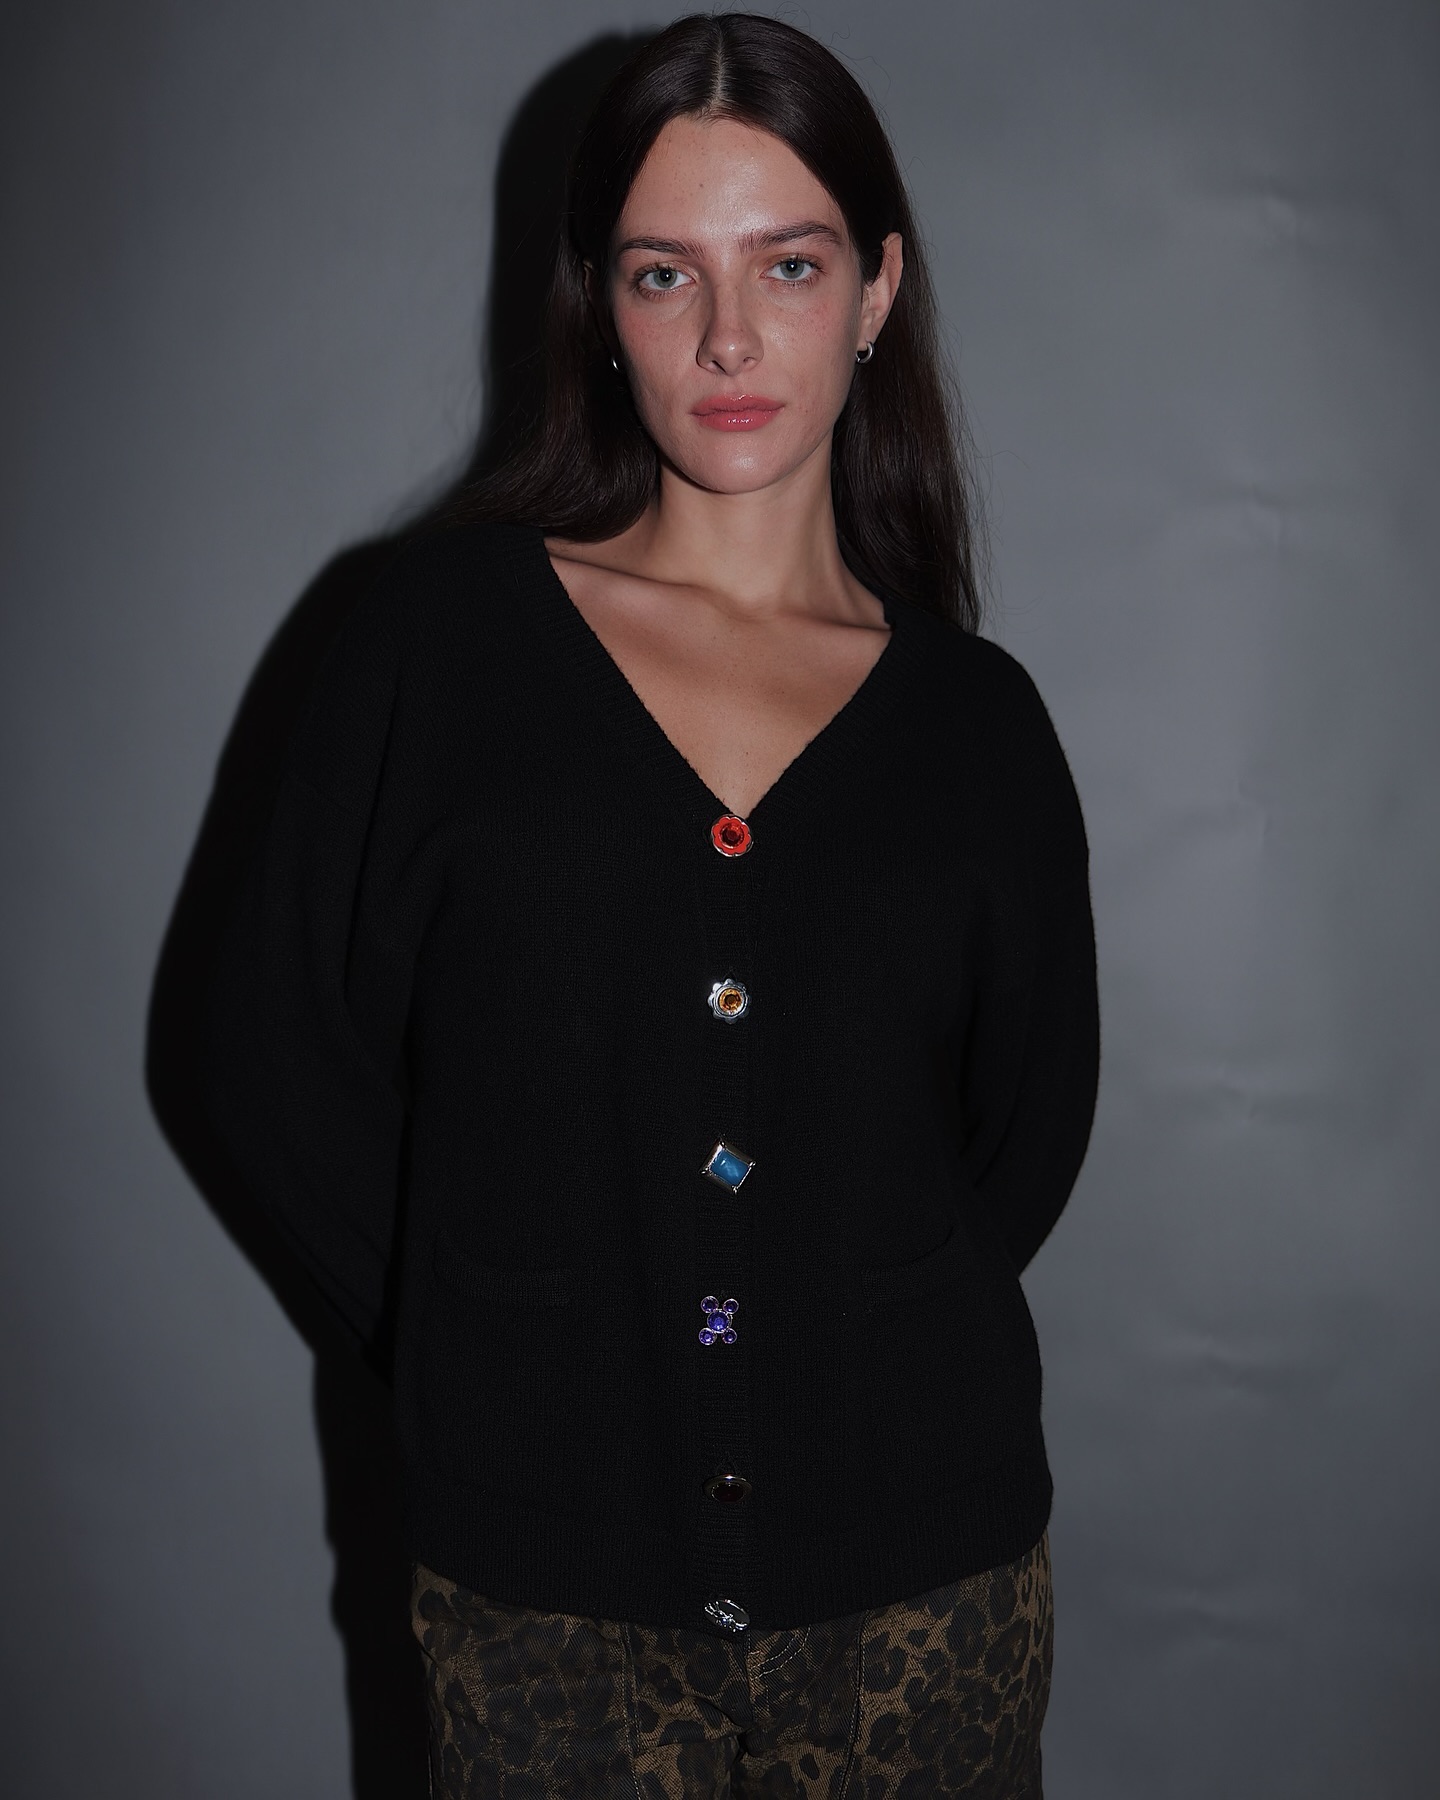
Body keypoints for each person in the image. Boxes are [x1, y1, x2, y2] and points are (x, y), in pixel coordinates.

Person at [200, 12, 1100, 1796]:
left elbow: (1021, 1137)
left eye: (790, 264)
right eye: (663, 272)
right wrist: (491, 1345)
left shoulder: (978, 725)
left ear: (877, 288)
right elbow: (267, 1060)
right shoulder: (436, 644)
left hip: (930, 1592)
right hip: (544, 1609)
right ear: (599, 308)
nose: (729, 337)